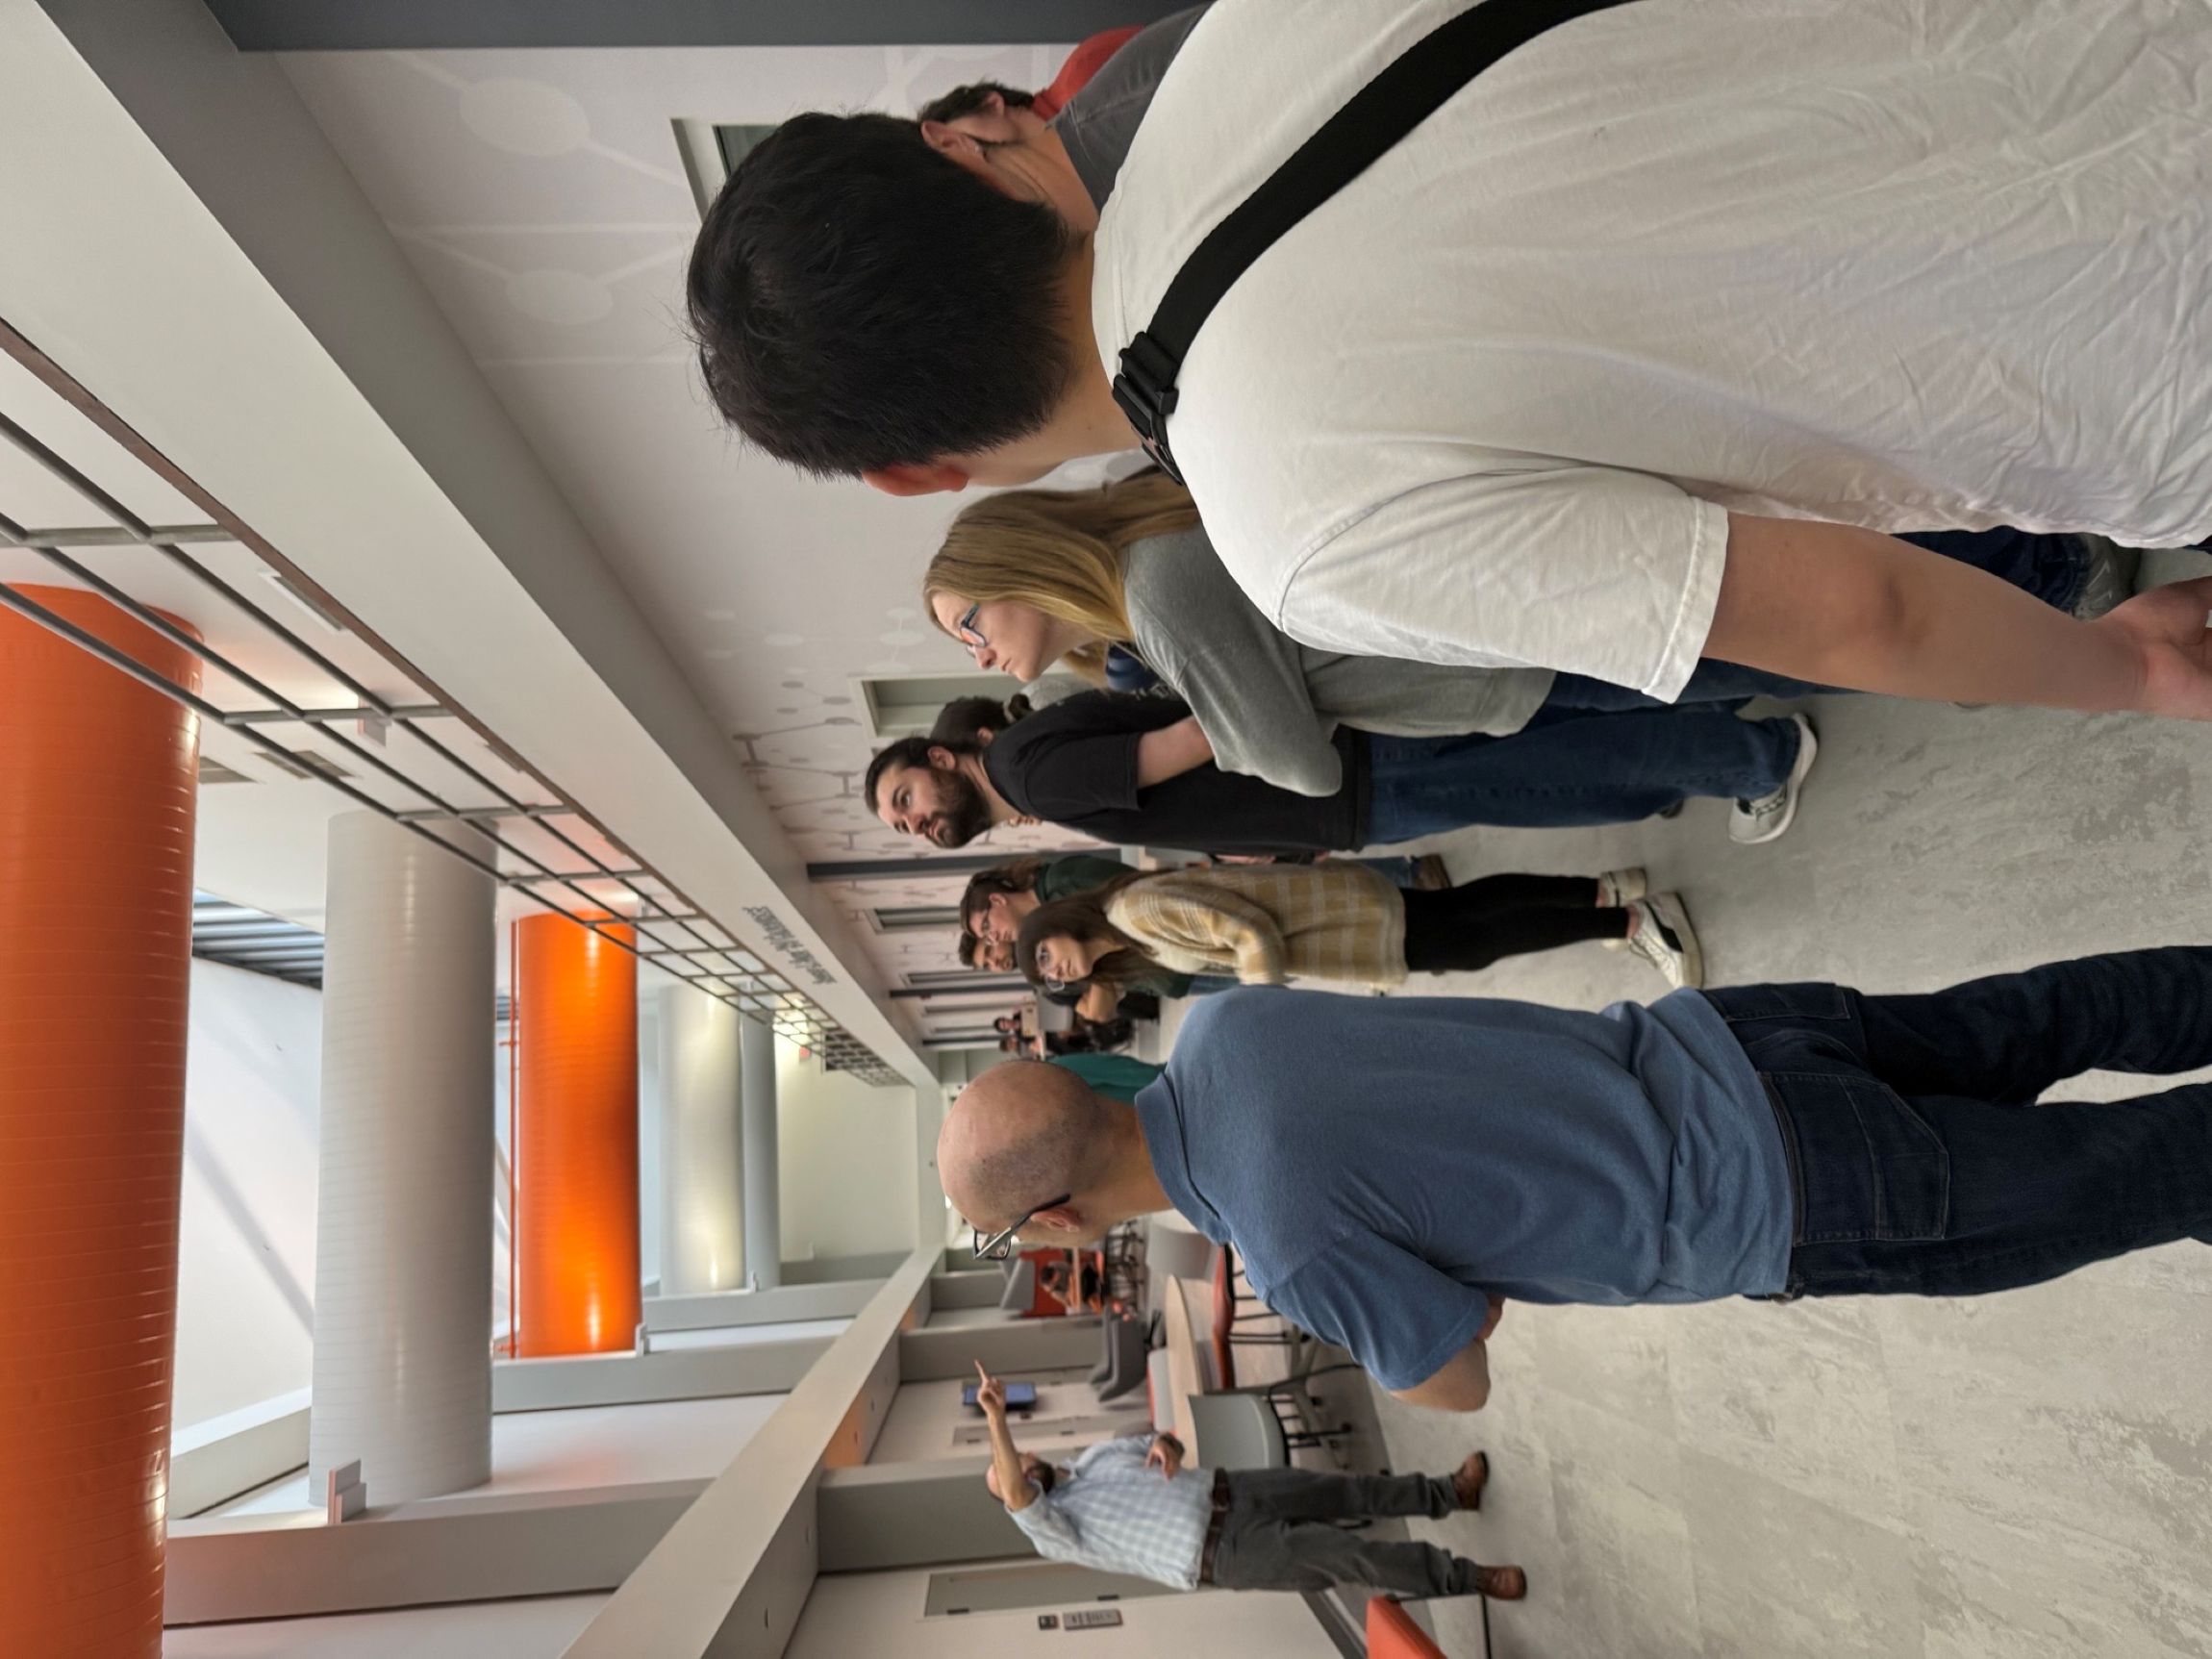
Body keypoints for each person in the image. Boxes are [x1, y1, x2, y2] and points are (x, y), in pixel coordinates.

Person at [688, 0, 2212, 725]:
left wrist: (2130, 670)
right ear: (961, 140)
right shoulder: (1247, 27)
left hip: (2143, 363)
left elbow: (1856, 606)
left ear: (918, 469)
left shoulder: (1299, 525)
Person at [941, 946, 2212, 1410]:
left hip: (1779, 1192)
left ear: (1051, 1223)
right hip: (1730, 1036)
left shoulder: (1293, 1248)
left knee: (2133, 1173)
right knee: (2049, 1013)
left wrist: (1453, 1287)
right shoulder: (1224, 1023)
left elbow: (1457, 1377)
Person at [926, 476, 2128, 835]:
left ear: (1009, 559)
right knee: (1793, 611)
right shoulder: (1144, 572)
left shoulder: (1159, 592)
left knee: (1797, 634)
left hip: (1504, 652)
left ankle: (2052, 587)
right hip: (1493, 627)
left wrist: (1237, 718)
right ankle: (2037, 589)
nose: (981, 652)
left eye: (966, 619)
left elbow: (1290, 763)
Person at [869, 688, 1813, 858]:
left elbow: (1190, 741)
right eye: (902, 826)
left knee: (1550, 771)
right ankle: (1723, 731)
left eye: (905, 798)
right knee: (1543, 737)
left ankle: (1755, 757)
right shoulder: (1032, 758)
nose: (914, 821)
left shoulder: (1030, 779)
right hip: (1332, 767)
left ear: (942, 758)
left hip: (1342, 783)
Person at [973, 1362, 1525, 1599]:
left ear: (1030, 1454)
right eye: (1005, 1482)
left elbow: (1160, 1442)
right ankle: (1469, 1579)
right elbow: (1022, 1504)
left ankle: (1451, 1493)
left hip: (1231, 1488)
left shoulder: (1095, 1458)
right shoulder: (1053, 1531)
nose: (1014, 1477)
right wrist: (996, 1419)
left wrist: (1168, 1445)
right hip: (1224, 1552)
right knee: (1353, 1555)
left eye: (1009, 1463)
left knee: (1349, 1490)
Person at [1015, 861, 1700, 992]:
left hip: (1340, 922)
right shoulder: (1130, 932)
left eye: (1043, 955)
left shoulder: (1132, 912)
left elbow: (1247, 930)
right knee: (1467, 913)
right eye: (1047, 978)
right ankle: (1602, 891)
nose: (1057, 972)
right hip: (1337, 914)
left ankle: (1636, 918)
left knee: (1473, 940)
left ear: (1056, 920)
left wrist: (1263, 1004)